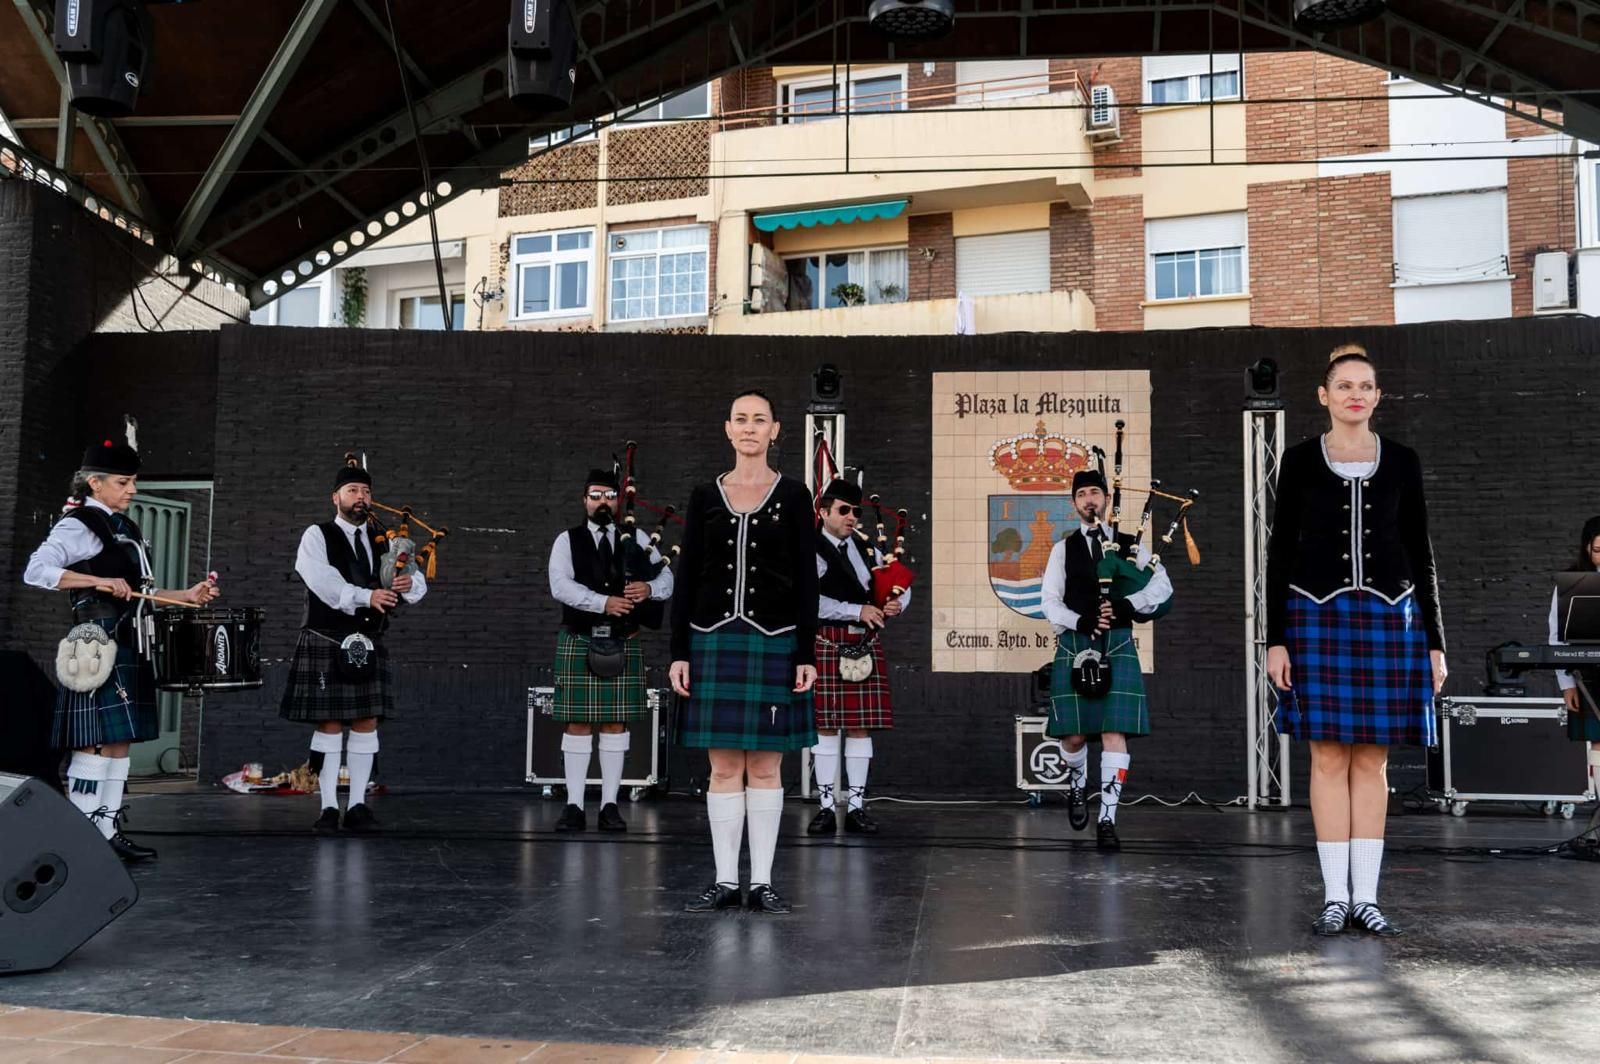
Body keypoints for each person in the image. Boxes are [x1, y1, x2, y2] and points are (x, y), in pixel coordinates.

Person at [1266, 343, 1447, 937]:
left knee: (1372, 759)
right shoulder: (1295, 462)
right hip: (1314, 618)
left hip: (1393, 619)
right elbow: (1278, 554)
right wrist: (1276, 640)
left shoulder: (1403, 460)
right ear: (1324, 396)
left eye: (1365, 386)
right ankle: (1333, 897)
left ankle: (1365, 897)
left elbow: (1422, 554)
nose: (1355, 395)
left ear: (1377, 396)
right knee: (1326, 757)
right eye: (1344, 386)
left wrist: (1435, 642)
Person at [23, 438, 220, 861]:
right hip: (95, 642)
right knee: (92, 742)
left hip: (128, 638)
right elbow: (36, 571)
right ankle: (80, 839)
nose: (132, 490)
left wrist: (186, 594)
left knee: (119, 743)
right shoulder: (78, 524)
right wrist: (94, 581)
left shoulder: (124, 526)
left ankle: (107, 832)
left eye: (133, 482)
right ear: (94, 483)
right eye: (124, 482)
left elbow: (139, 592)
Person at [670, 389, 819, 914]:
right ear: (728, 429)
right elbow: (687, 577)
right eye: (741, 419)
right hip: (712, 640)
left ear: (775, 430)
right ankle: (725, 880)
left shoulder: (796, 496)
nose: (750, 427)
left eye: (760, 420)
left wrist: (807, 653)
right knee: (722, 767)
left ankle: (763, 881)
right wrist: (679, 651)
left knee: (765, 767)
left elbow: (807, 581)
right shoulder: (704, 496)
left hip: (776, 642)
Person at [280, 460, 426, 835]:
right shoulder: (318, 535)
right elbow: (323, 582)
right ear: (336, 497)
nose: (360, 498)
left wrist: (410, 585)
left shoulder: (386, 538)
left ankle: (358, 804)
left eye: (365, 492)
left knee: (366, 722)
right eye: (352, 491)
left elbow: (415, 583)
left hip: (368, 641)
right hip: (326, 639)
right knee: (329, 724)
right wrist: (367, 596)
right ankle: (329, 807)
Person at [1039, 468, 1172, 851]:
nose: (1089, 500)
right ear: (1073, 504)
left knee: (1115, 733)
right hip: (1076, 640)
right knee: (1074, 735)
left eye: (1096, 493)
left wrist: (1125, 603)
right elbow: (1049, 602)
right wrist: (1082, 619)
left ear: (1106, 500)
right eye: (1082, 495)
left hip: (1117, 642)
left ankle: (1108, 819)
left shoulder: (1132, 544)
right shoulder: (1063, 549)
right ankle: (1077, 785)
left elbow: (1162, 585)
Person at [547, 468, 674, 833]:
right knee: (578, 723)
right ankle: (573, 804)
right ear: (584, 500)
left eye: (609, 496)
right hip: (581, 637)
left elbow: (666, 576)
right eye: (596, 495)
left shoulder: (637, 537)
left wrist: (649, 591)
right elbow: (560, 586)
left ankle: (609, 805)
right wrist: (604, 603)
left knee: (616, 724)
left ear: (619, 501)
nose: (603, 502)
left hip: (624, 640)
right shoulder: (566, 540)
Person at [807, 479, 911, 836]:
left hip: (863, 644)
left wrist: (896, 603)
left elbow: (896, 583)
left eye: (856, 511)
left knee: (859, 726)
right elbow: (809, 603)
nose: (852, 517)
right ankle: (824, 806)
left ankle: (855, 806)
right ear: (823, 512)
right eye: (844, 510)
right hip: (827, 643)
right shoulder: (810, 549)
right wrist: (857, 609)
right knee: (825, 725)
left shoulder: (866, 548)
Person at [1550, 516, 1600, 796]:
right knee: (1598, 742)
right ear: (1586, 549)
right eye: (1598, 550)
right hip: (1590, 677)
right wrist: (1566, 683)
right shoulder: (1571, 585)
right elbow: (1556, 637)